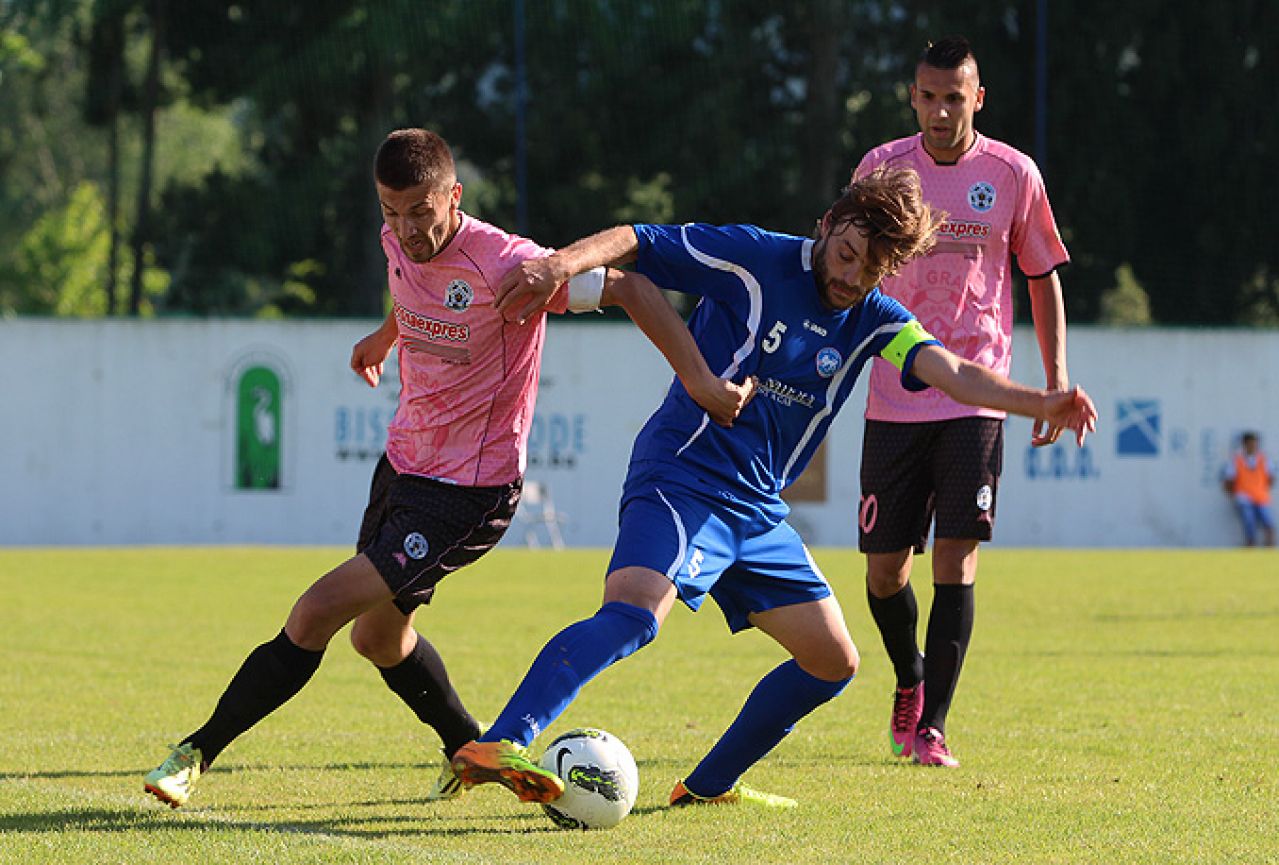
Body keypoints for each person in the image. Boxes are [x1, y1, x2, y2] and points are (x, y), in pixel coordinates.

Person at [448, 166, 1096, 809]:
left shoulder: (874, 319)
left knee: (832, 661)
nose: (849, 277)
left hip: (756, 512)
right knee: (635, 613)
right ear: (826, 224)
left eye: (869, 269)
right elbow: (636, 239)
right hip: (685, 475)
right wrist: (556, 265)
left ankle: (705, 786)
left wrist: (1040, 399)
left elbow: (952, 371)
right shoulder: (754, 258)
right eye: (844, 254)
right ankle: (500, 741)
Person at [142, 128, 745, 809]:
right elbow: (414, 293)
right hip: (401, 466)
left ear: (453, 197)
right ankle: (468, 747)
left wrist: (699, 380)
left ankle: (195, 751)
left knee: (314, 612)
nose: (403, 229)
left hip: (468, 493)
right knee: (378, 636)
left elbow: (632, 288)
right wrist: (384, 334)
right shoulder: (395, 239)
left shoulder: (509, 267)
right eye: (389, 211)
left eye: (419, 213)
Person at [851, 35, 1073, 767]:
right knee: (884, 572)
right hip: (894, 392)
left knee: (956, 557)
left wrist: (1052, 382)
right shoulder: (882, 171)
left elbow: (1040, 275)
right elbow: (844, 266)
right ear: (911, 97)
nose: (941, 110)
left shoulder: (1012, 174)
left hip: (975, 396)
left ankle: (933, 726)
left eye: (956, 96)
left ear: (978, 98)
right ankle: (908, 677)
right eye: (928, 95)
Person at [1222, 432, 1275, 547]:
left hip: (1261, 497)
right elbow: (1229, 480)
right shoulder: (1237, 461)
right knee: (1249, 521)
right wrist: (1233, 494)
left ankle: (1270, 547)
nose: (1252, 446)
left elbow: (1271, 477)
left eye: (1254, 443)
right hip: (1244, 498)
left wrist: (1262, 489)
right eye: (1250, 443)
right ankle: (1250, 545)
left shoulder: (1264, 460)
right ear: (1244, 444)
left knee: (1268, 522)